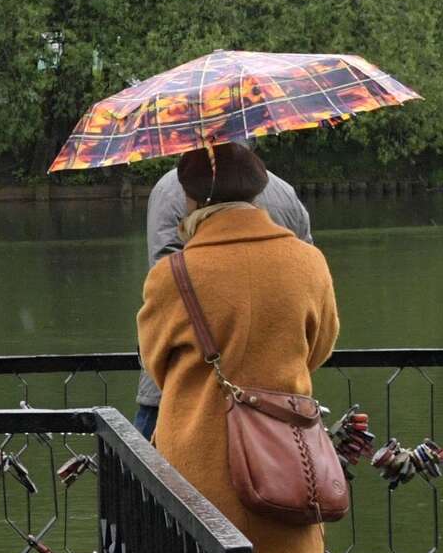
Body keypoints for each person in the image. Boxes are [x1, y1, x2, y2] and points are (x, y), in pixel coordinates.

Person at [137, 142, 339, 553]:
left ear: (191, 200)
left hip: (197, 462)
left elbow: (157, 361)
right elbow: (321, 344)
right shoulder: (306, 262)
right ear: (257, 192)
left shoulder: (174, 274)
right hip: (285, 458)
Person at [133, 148, 312, 440]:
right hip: (280, 405)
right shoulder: (283, 192)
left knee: (150, 468)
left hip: (188, 405)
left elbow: (161, 330)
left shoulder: (172, 188)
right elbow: (313, 334)